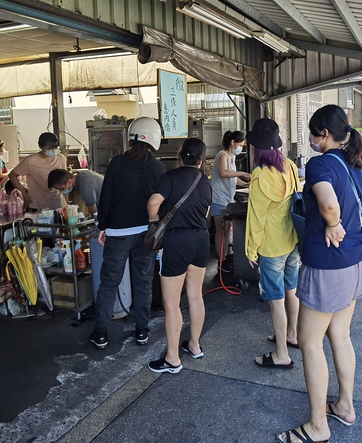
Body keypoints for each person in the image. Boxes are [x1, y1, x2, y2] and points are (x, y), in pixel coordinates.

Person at [277, 105, 362, 443]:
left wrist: (332, 224)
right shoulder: (353, 164)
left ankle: (318, 426)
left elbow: (329, 205)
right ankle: (345, 406)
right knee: (341, 336)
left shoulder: (319, 164)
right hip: (356, 262)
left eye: (313, 135)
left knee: (309, 342)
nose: (311, 141)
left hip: (328, 265)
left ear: (325, 135)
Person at [91, 117, 166, 350]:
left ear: (132, 137)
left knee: (109, 283)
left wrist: (102, 226)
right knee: (143, 281)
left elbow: (106, 198)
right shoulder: (158, 168)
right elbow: (161, 204)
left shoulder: (116, 163)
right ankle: (142, 330)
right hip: (146, 233)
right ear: (154, 139)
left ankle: (101, 333)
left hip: (117, 233)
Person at [145, 138, 212, 373]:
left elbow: (153, 202)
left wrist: (155, 220)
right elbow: (206, 211)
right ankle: (194, 345)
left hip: (176, 243)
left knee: (171, 303)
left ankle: (172, 359)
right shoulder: (204, 181)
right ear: (202, 161)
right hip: (201, 241)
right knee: (195, 296)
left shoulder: (169, 177)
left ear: (179, 156)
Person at [244, 119, 301, 370]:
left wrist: (250, 249)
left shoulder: (260, 175)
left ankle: (281, 354)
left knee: (275, 298)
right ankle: (292, 334)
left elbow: (257, 218)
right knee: (292, 289)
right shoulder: (289, 166)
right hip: (293, 240)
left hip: (271, 247)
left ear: (257, 149)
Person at [211, 131, 251, 260]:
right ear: (233, 142)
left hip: (228, 198)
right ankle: (221, 260)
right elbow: (223, 173)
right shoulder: (222, 155)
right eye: (240, 145)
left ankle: (226, 257)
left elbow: (232, 178)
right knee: (221, 230)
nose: (241, 148)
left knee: (227, 228)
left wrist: (246, 184)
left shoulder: (232, 157)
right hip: (218, 198)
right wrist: (242, 173)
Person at [8, 132, 66, 211]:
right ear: (41, 147)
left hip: (58, 204)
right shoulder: (30, 161)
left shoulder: (61, 158)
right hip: (37, 206)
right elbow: (12, 175)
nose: (53, 150)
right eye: (50, 148)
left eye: (56, 147)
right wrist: (24, 195)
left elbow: (64, 180)